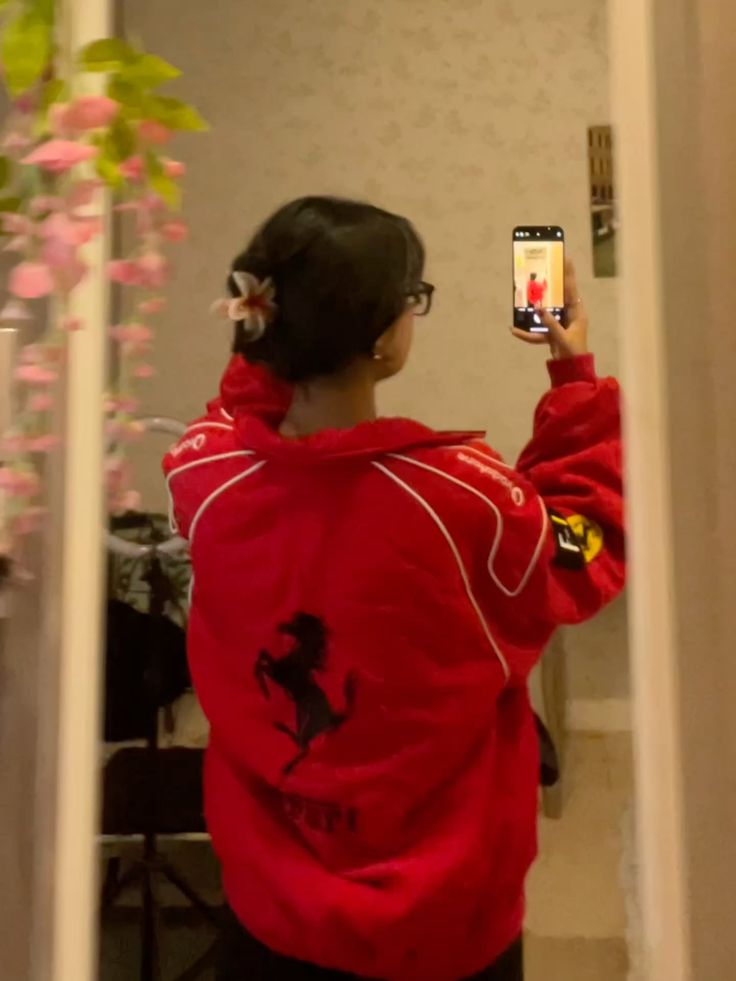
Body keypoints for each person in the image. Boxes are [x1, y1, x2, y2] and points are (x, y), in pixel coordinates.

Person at [163, 196, 625, 981]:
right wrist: (571, 370)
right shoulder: (465, 501)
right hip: (441, 923)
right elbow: (584, 541)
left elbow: (240, 407)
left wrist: (272, 338)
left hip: (272, 909)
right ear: (383, 338)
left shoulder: (202, 473)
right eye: (413, 297)